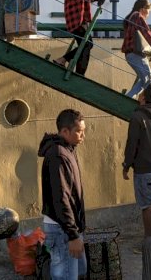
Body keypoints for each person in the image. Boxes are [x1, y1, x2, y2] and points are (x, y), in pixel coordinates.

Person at [39, 109, 87, 279]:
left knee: (77, 273)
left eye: (83, 131)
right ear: (65, 131)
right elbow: (61, 199)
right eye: (79, 132)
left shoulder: (68, 149)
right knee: (66, 276)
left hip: (68, 227)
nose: (82, 136)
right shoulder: (58, 155)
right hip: (62, 230)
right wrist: (72, 235)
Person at [122, 85, 151, 238]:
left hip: (144, 168)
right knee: (148, 204)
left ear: (143, 98)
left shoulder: (137, 116)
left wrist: (126, 165)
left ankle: (149, 241)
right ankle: (150, 239)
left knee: (146, 206)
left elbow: (132, 143)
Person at [121, 0, 151, 98]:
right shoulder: (138, 16)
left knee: (145, 79)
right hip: (136, 54)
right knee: (149, 79)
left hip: (131, 54)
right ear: (144, 8)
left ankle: (130, 97)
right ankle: (130, 98)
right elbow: (146, 33)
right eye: (149, 10)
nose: (149, 13)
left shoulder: (132, 17)